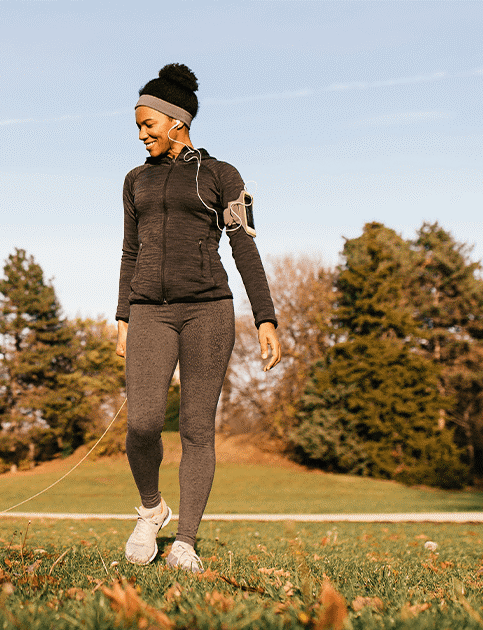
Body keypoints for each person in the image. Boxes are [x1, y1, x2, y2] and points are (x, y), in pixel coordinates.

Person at [115, 63, 281, 572]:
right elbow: (129, 252)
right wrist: (122, 316)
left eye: (149, 125)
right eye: (139, 127)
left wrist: (266, 317)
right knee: (141, 425)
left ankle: (185, 539)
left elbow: (245, 249)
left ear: (177, 123)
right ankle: (151, 509)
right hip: (149, 312)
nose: (142, 134)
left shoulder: (220, 176)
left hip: (209, 311)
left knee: (196, 429)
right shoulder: (135, 181)